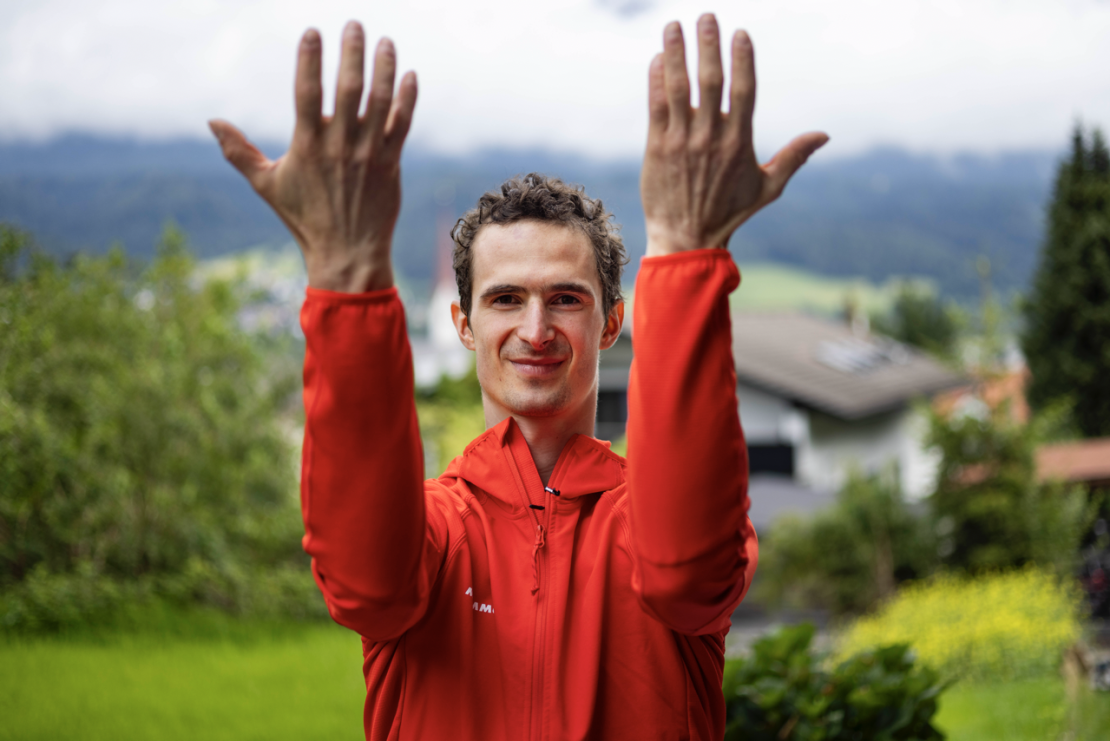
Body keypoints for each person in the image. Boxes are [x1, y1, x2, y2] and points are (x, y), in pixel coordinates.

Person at [210, 12, 826, 740]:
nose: (535, 330)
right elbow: (364, 583)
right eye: (506, 299)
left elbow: (684, 576)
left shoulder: (652, 521)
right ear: (465, 323)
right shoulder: (432, 533)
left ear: (610, 322)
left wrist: (688, 253)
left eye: (566, 298)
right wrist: (346, 277)